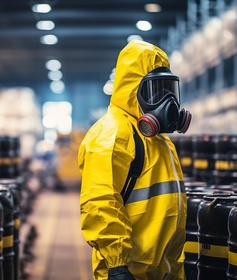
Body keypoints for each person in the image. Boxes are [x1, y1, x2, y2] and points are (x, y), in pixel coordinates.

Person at [77, 39, 192, 280]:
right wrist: (117, 266)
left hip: (165, 269)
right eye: (155, 91)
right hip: (130, 271)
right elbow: (100, 202)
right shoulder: (111, 136)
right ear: (132, 90)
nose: (167, 103)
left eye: (169, 90)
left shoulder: (160, 141)